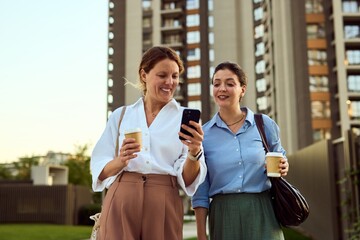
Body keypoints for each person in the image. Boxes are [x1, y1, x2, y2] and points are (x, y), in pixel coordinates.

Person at [91, 46, 207, 240]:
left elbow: (187, 180)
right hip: (121, 198)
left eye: (175, 76)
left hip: (163, 200)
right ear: (144, 74)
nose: (170, 82)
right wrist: (121, 160)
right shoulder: (121, 116)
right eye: (162, 75)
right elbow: (100, 169)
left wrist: (194, 153)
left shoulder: (183, 119)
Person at [191, 61, 289, 240]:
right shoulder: (203, 135)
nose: (222, 89)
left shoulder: (264, 124)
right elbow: (200, 190)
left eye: (230, 84)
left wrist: (284, 165)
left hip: (262, 210)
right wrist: (200, 234)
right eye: (217, 83)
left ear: (242, 89)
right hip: (223, 214)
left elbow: (280, 155)